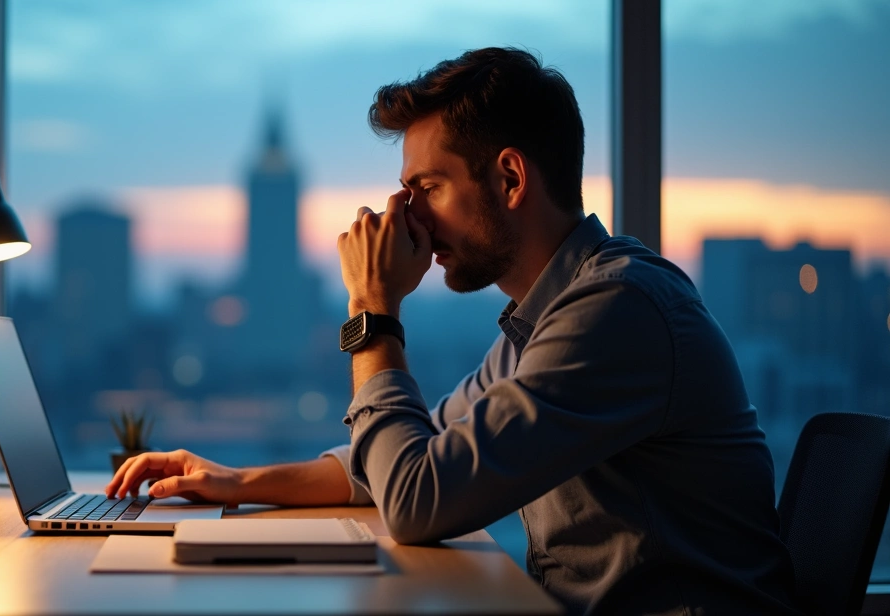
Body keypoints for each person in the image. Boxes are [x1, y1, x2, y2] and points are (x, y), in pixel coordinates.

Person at [105, 47, 799, 615]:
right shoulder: (548, 318)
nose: (408, 218)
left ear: (509, 179)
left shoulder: (617, 311)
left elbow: (413, 499)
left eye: (427, 188)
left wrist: (372, 304)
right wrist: (234, 481)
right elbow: (405, 461)